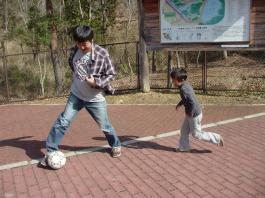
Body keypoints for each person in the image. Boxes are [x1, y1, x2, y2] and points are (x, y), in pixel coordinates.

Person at [40, 25, 121, 167]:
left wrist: (96, 82)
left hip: (95, 98)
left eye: (85, 44)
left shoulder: (102, 53)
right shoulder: (74, 51)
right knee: (63, 121)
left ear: (92, 40)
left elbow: (111, 74)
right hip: (76, 95)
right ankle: (51, 151)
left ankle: (115, 144)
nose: (81, 47)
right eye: (78, 43)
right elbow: (73, 65)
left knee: (105, 125)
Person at [170, 68, 224, 152]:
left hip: (194, 114)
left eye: (173, 80)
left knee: (196, 134)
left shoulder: (184, 89)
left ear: (178, 79)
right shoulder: (185, 85)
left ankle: (217, 138)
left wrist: (190, 114)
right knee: (184, 130)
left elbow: (192, 102)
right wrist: (179, 105)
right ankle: (184, 148)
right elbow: (186, 99)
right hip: (191, 113)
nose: (172, 82)